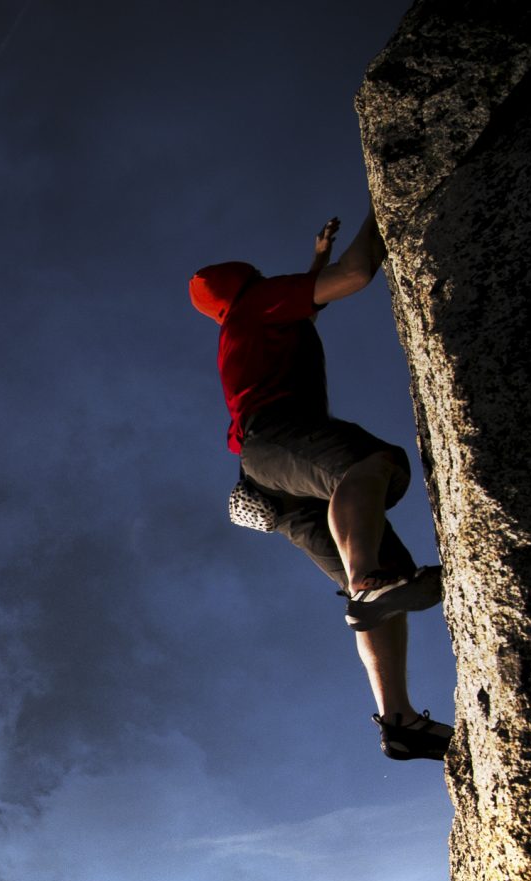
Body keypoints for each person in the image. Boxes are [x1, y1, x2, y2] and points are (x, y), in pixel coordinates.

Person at [189, 209, 453, 762]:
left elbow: (311, 308)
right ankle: (366, 584)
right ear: (250, 285)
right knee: (374, 463)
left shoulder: (248, 327)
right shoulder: (257, 305)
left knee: (390, 578)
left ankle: (399, 721)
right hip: (278, 441)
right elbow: (357, 275)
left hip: (270, 482)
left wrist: (316, 261)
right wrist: (385, 207)